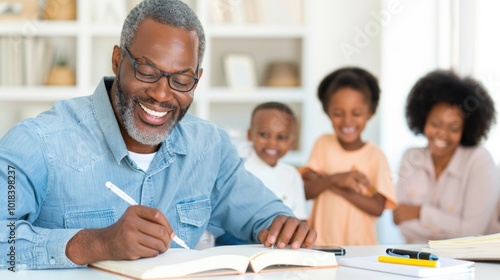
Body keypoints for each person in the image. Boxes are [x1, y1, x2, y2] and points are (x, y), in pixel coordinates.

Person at [0, 0, 316, 270]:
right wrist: (95, 243)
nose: (162, 95)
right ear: (117, 60)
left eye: (181, 80)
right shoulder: (37, 143)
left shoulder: (210, 148)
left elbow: (265, 219)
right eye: (147, 72)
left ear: (197, 79)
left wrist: (283, 229)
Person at [393, 70, 498, 243]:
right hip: (418, 259)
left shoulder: (479, 161)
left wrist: (419, 212)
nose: (442, 134)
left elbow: (471, 234)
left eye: (454, 128)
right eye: (435, 124)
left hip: (475, 264)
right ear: (423, 120)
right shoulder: (410, 157)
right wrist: (452, 226)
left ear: (465, 129)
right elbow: (402, 224)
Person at [300, 67, 397, 246]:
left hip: (361, 247)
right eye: (338, 113)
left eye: (356, 113)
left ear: (370, 112)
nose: (347, 121)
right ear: (328, 112)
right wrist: (337, 179)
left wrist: (330, 182)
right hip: (321, 244)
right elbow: (305, 191)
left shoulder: (375, 156)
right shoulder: (323, 144)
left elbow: (377, 208)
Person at [215, 102, 308, 246]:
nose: (272, 142)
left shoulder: (292, 175)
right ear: (250, 135)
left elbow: (300, 219)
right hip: (236, 239)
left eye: (281, 137)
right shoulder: (239, 168)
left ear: (291, 142)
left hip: (277, 243)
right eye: (264, 134)